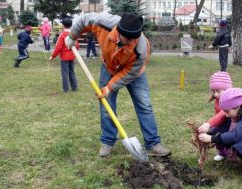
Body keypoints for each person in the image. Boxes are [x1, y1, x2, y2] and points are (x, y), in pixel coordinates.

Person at [64, 12, 171, 157]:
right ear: (119, 31)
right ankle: (108, 141)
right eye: (126, 38)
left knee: (144, 105)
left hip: (133, 73)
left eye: (133, 39)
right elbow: (83, 20)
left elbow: (130, 72)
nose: (129, 42)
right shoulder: (104, 22)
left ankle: (153, 144)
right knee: (106, 104)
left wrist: (110, 87)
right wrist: (72, 36)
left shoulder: (142, 48)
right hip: (108, 67)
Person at [198, 71, 233, 161]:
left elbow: (222, 113)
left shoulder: (231, 99)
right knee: (216, 133)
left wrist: (209, 123)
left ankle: (228, 150)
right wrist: (214, 124)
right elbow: (218, 114)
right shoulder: (217, 99)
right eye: (213, 91)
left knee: (225, 136)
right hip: (222, 121)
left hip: (232, 123)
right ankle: (221, 152)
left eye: (218, 91)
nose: (216, 94)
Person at [49, 17, 78, 93]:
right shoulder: (73, 34)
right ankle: (74, 87)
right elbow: (77, 46)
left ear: (63, 25)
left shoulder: (62, 35)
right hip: (72, 57)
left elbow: (58, 47)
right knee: (72, 71)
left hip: (64, 58)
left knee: (65, 73)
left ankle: (65, 89)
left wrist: (53, 56)